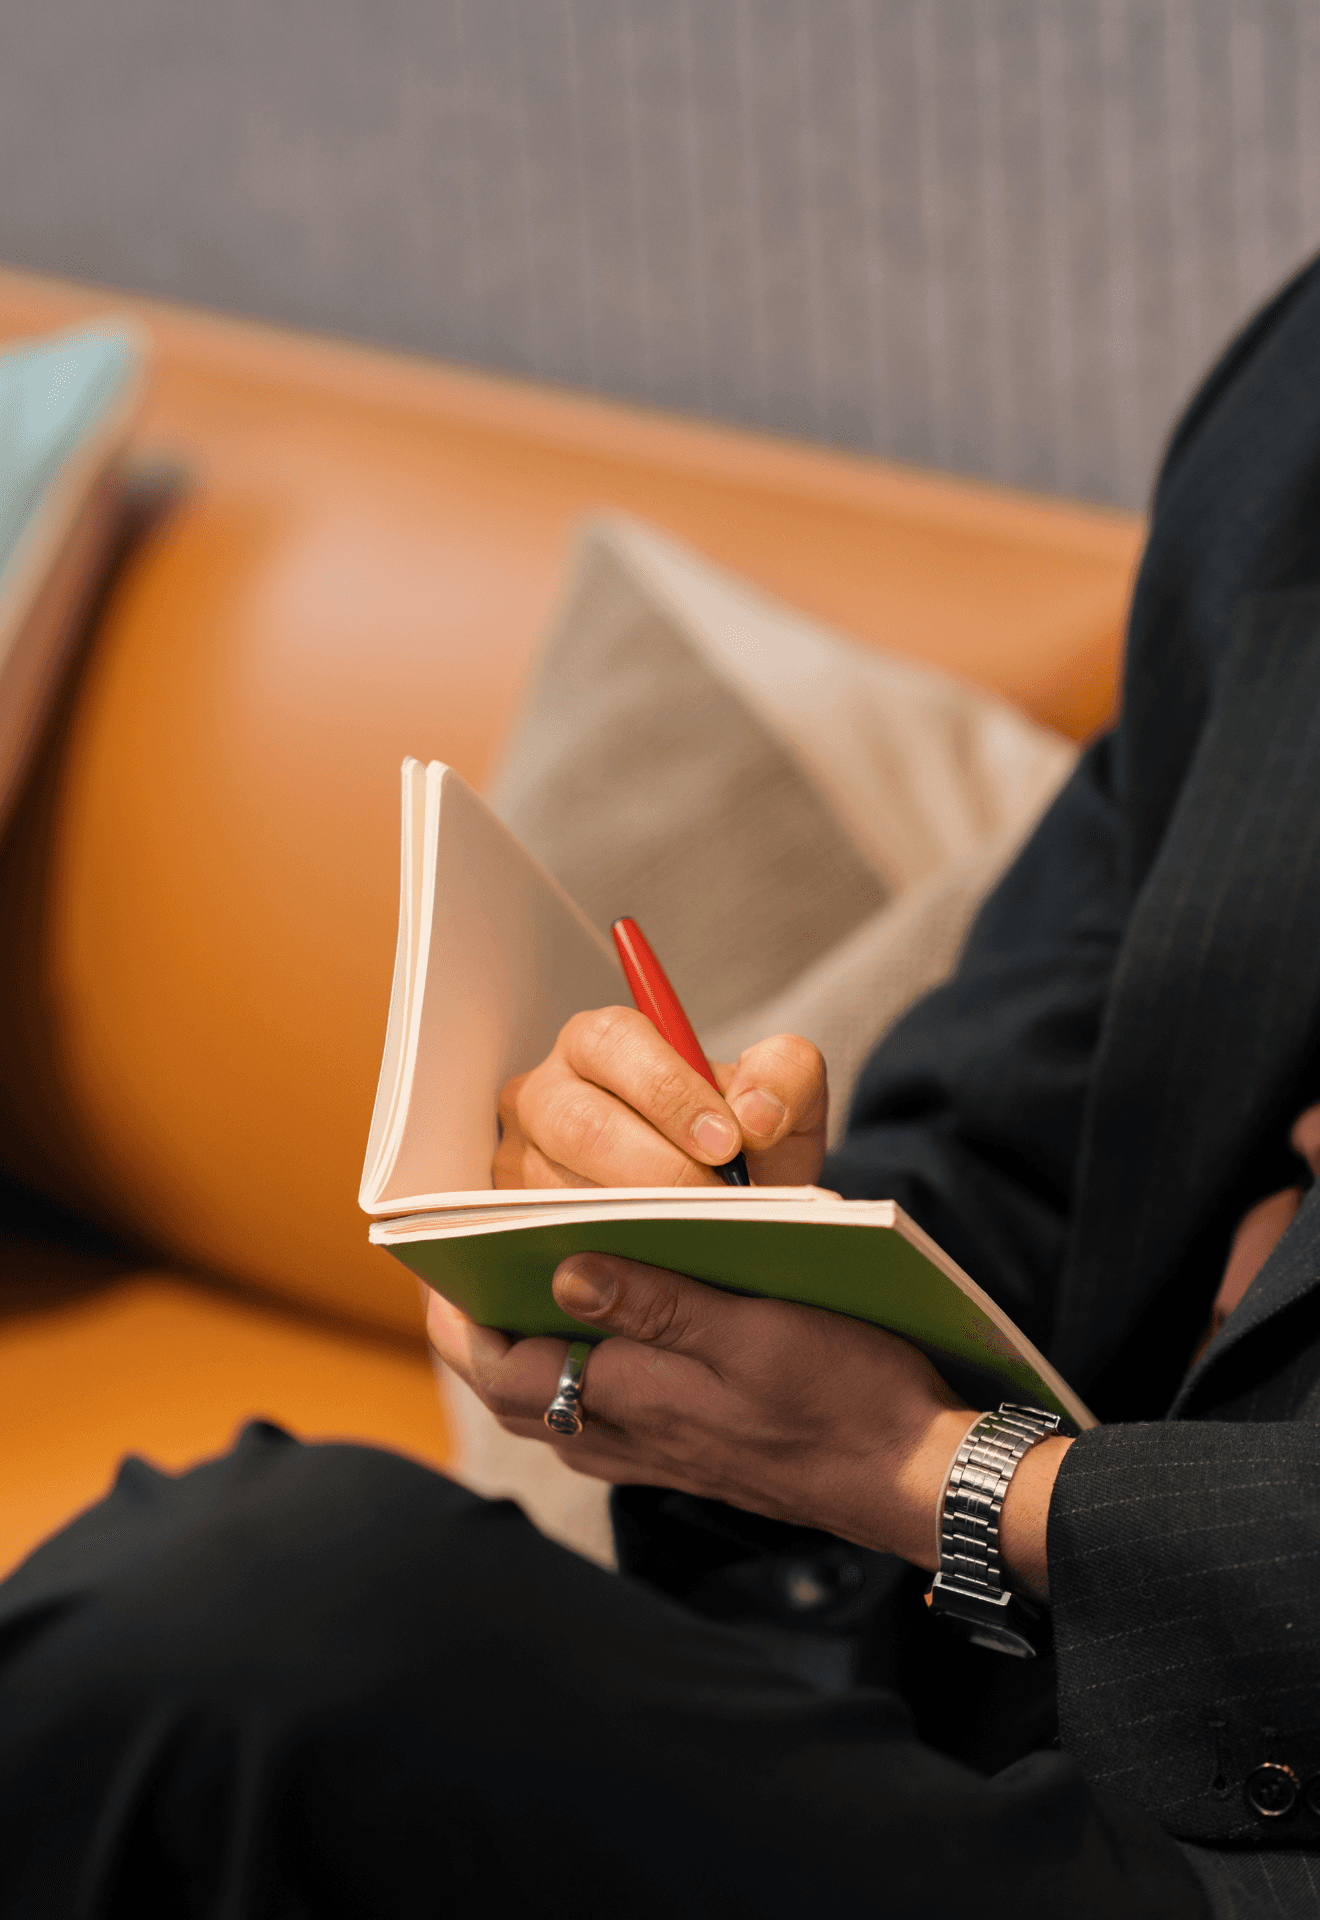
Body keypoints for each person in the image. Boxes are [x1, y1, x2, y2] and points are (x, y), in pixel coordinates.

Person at [5, 257, 1320, 1920]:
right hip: (979, 1714)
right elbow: (1024, 1099)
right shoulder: (1294, 406)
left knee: (245, 1625)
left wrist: (933, 1470)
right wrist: (706, 1248)